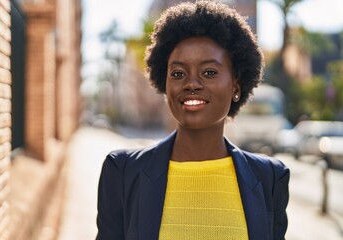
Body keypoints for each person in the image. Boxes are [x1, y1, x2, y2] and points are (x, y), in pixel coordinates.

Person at [96, 1, 290, 240]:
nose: (192, 83)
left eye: (209, 72)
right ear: (164, 84)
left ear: (236, 86)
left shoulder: (269, 178)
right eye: (178, 73)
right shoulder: (123, 172)